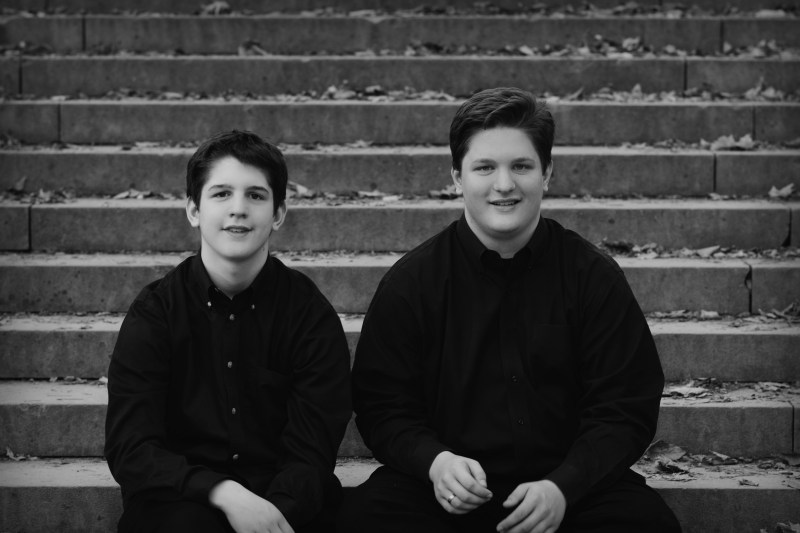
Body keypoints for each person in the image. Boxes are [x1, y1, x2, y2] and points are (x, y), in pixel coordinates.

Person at [338, 87, 681, 533]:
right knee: (365, 520)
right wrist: (435, 463)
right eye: (485, 167)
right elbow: (382, 407)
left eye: (521, 166)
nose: (504, 184)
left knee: (646, 525)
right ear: (457, 177)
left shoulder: (592, 277)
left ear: (547, 173)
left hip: (569, 493)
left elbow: (625, 406)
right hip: (443, 494)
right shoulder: (411, 284)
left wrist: (564, 486)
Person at [105, 130, 352, 533]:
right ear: (193, 210)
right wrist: (223, 492)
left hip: (284, 500)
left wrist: (274, 515)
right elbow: (131, 446)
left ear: (278, 213)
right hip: (179, 500)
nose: (238, 209)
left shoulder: (309, 314)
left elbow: (312, 451)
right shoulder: (156, 312)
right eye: (221, 194)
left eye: (255, 195)